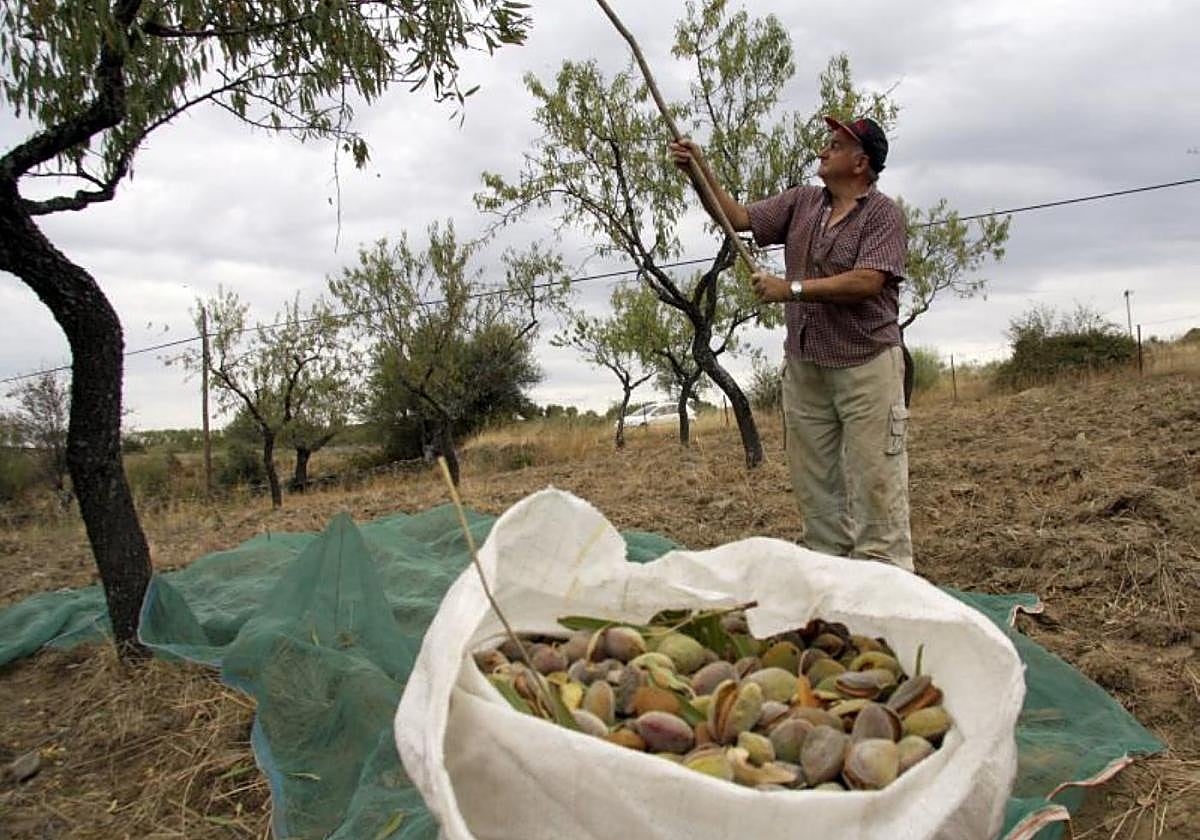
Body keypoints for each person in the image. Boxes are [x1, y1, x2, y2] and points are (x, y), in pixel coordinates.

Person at [669, 116, 913, 571]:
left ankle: (888, 591)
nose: (823, 151)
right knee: (814, 489)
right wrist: (697, 172)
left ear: (861, 163)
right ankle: (828, 582)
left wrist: (793, 289)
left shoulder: (883, 214)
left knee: (876, 484)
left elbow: (867, 281)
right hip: (806, 368)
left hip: (867, 367)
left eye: (835, 146)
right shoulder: (803, 203)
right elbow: (737, 218)